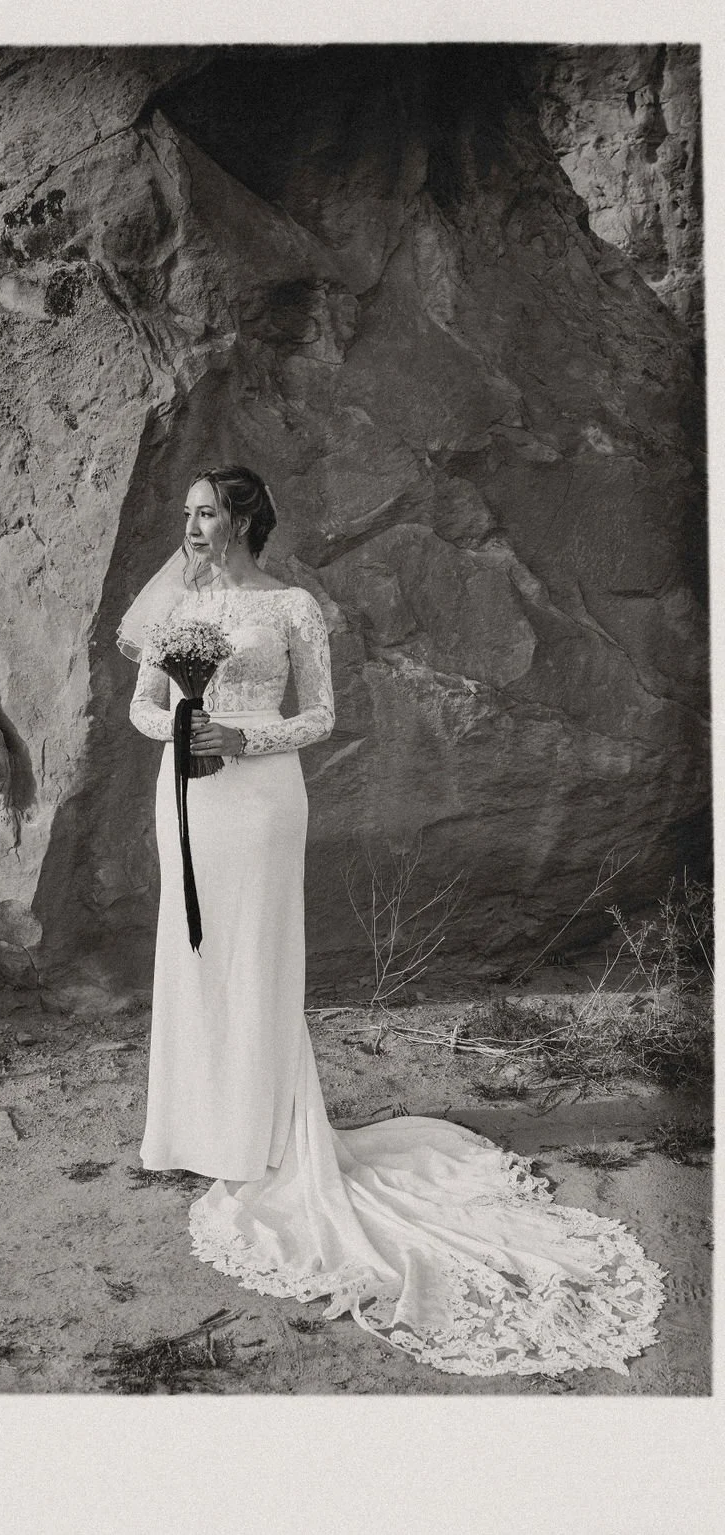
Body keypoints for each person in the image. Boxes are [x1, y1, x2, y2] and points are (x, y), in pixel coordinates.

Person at [122, 464, 666, 1379]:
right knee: (192, 949)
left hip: (259, 801)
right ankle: (192, 1129)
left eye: (208, 512)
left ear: (246, 518)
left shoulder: (293, 605)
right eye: (188, 514)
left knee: (254, 954)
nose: (194, 527)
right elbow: (145, 703)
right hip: (187, 797)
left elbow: (323, 714)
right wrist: (181, 732)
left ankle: (260, 1135)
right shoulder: (177, 602)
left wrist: (243, 737)